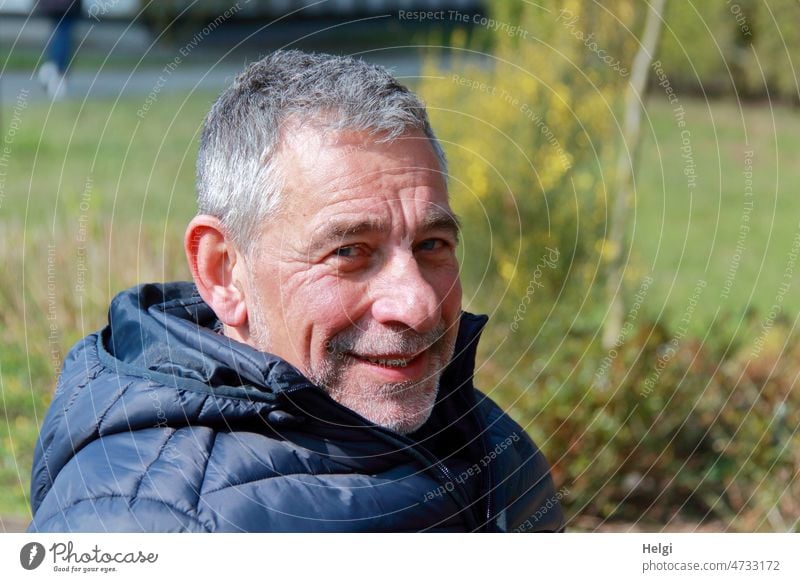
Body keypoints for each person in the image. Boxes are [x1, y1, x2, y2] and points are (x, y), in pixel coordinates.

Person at [29, 50, 564, 532]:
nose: (418, 305)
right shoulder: (149, 522)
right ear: (222, 272)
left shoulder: (477, 432)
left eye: (431, 244)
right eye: (349, 252)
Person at [36, 0, 80, 100]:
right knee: (63, 32)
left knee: (58, 29)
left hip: (54, 5)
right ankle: (57, 72)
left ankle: (51, 68)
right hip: (66, 6)